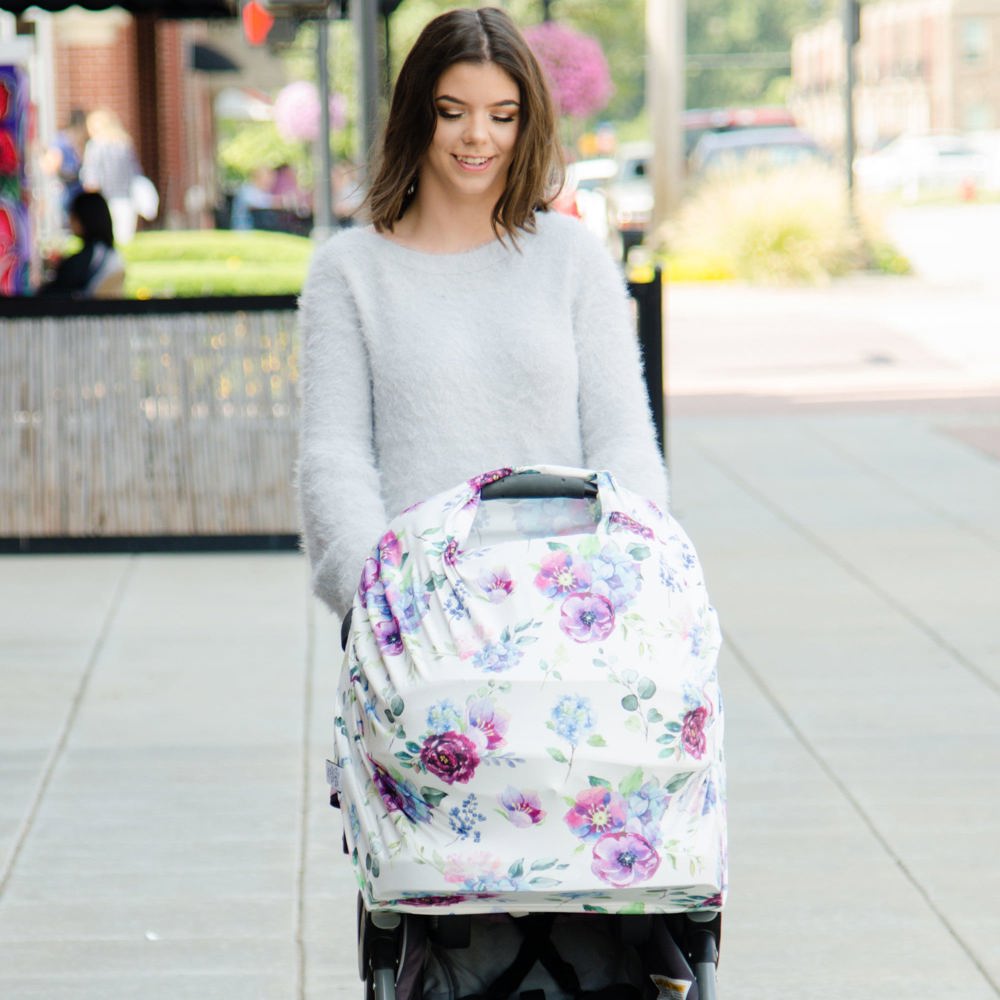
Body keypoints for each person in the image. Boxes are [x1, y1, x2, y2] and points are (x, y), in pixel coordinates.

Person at [297, 6, 668, 621]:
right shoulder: (350, 270)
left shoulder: (571, 256)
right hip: (415, 622)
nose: (478, 135)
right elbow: (333, 456)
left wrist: (624, 571)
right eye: (452, 113)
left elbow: (624, 437)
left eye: (503, 116)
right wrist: (376, 597)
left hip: (569, 617)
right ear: (417, 113)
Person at [38, 191, 124, 298]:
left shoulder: (92, 256)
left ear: (85, 219)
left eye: (73, 216)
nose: (70, 221)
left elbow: (59, 287)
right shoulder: (110, 254)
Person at [80, 109, 141, 244]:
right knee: (125, 239)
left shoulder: (95, 147)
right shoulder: (124, 144)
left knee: (108, 239)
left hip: (105, 199)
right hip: (126, 197)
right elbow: (135, 172)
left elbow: (91, 178)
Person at [40, 108, 88, 224]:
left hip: (76, 191)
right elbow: (50, 165)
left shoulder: (74, 142)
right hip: (65, 191)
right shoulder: (62, 141)